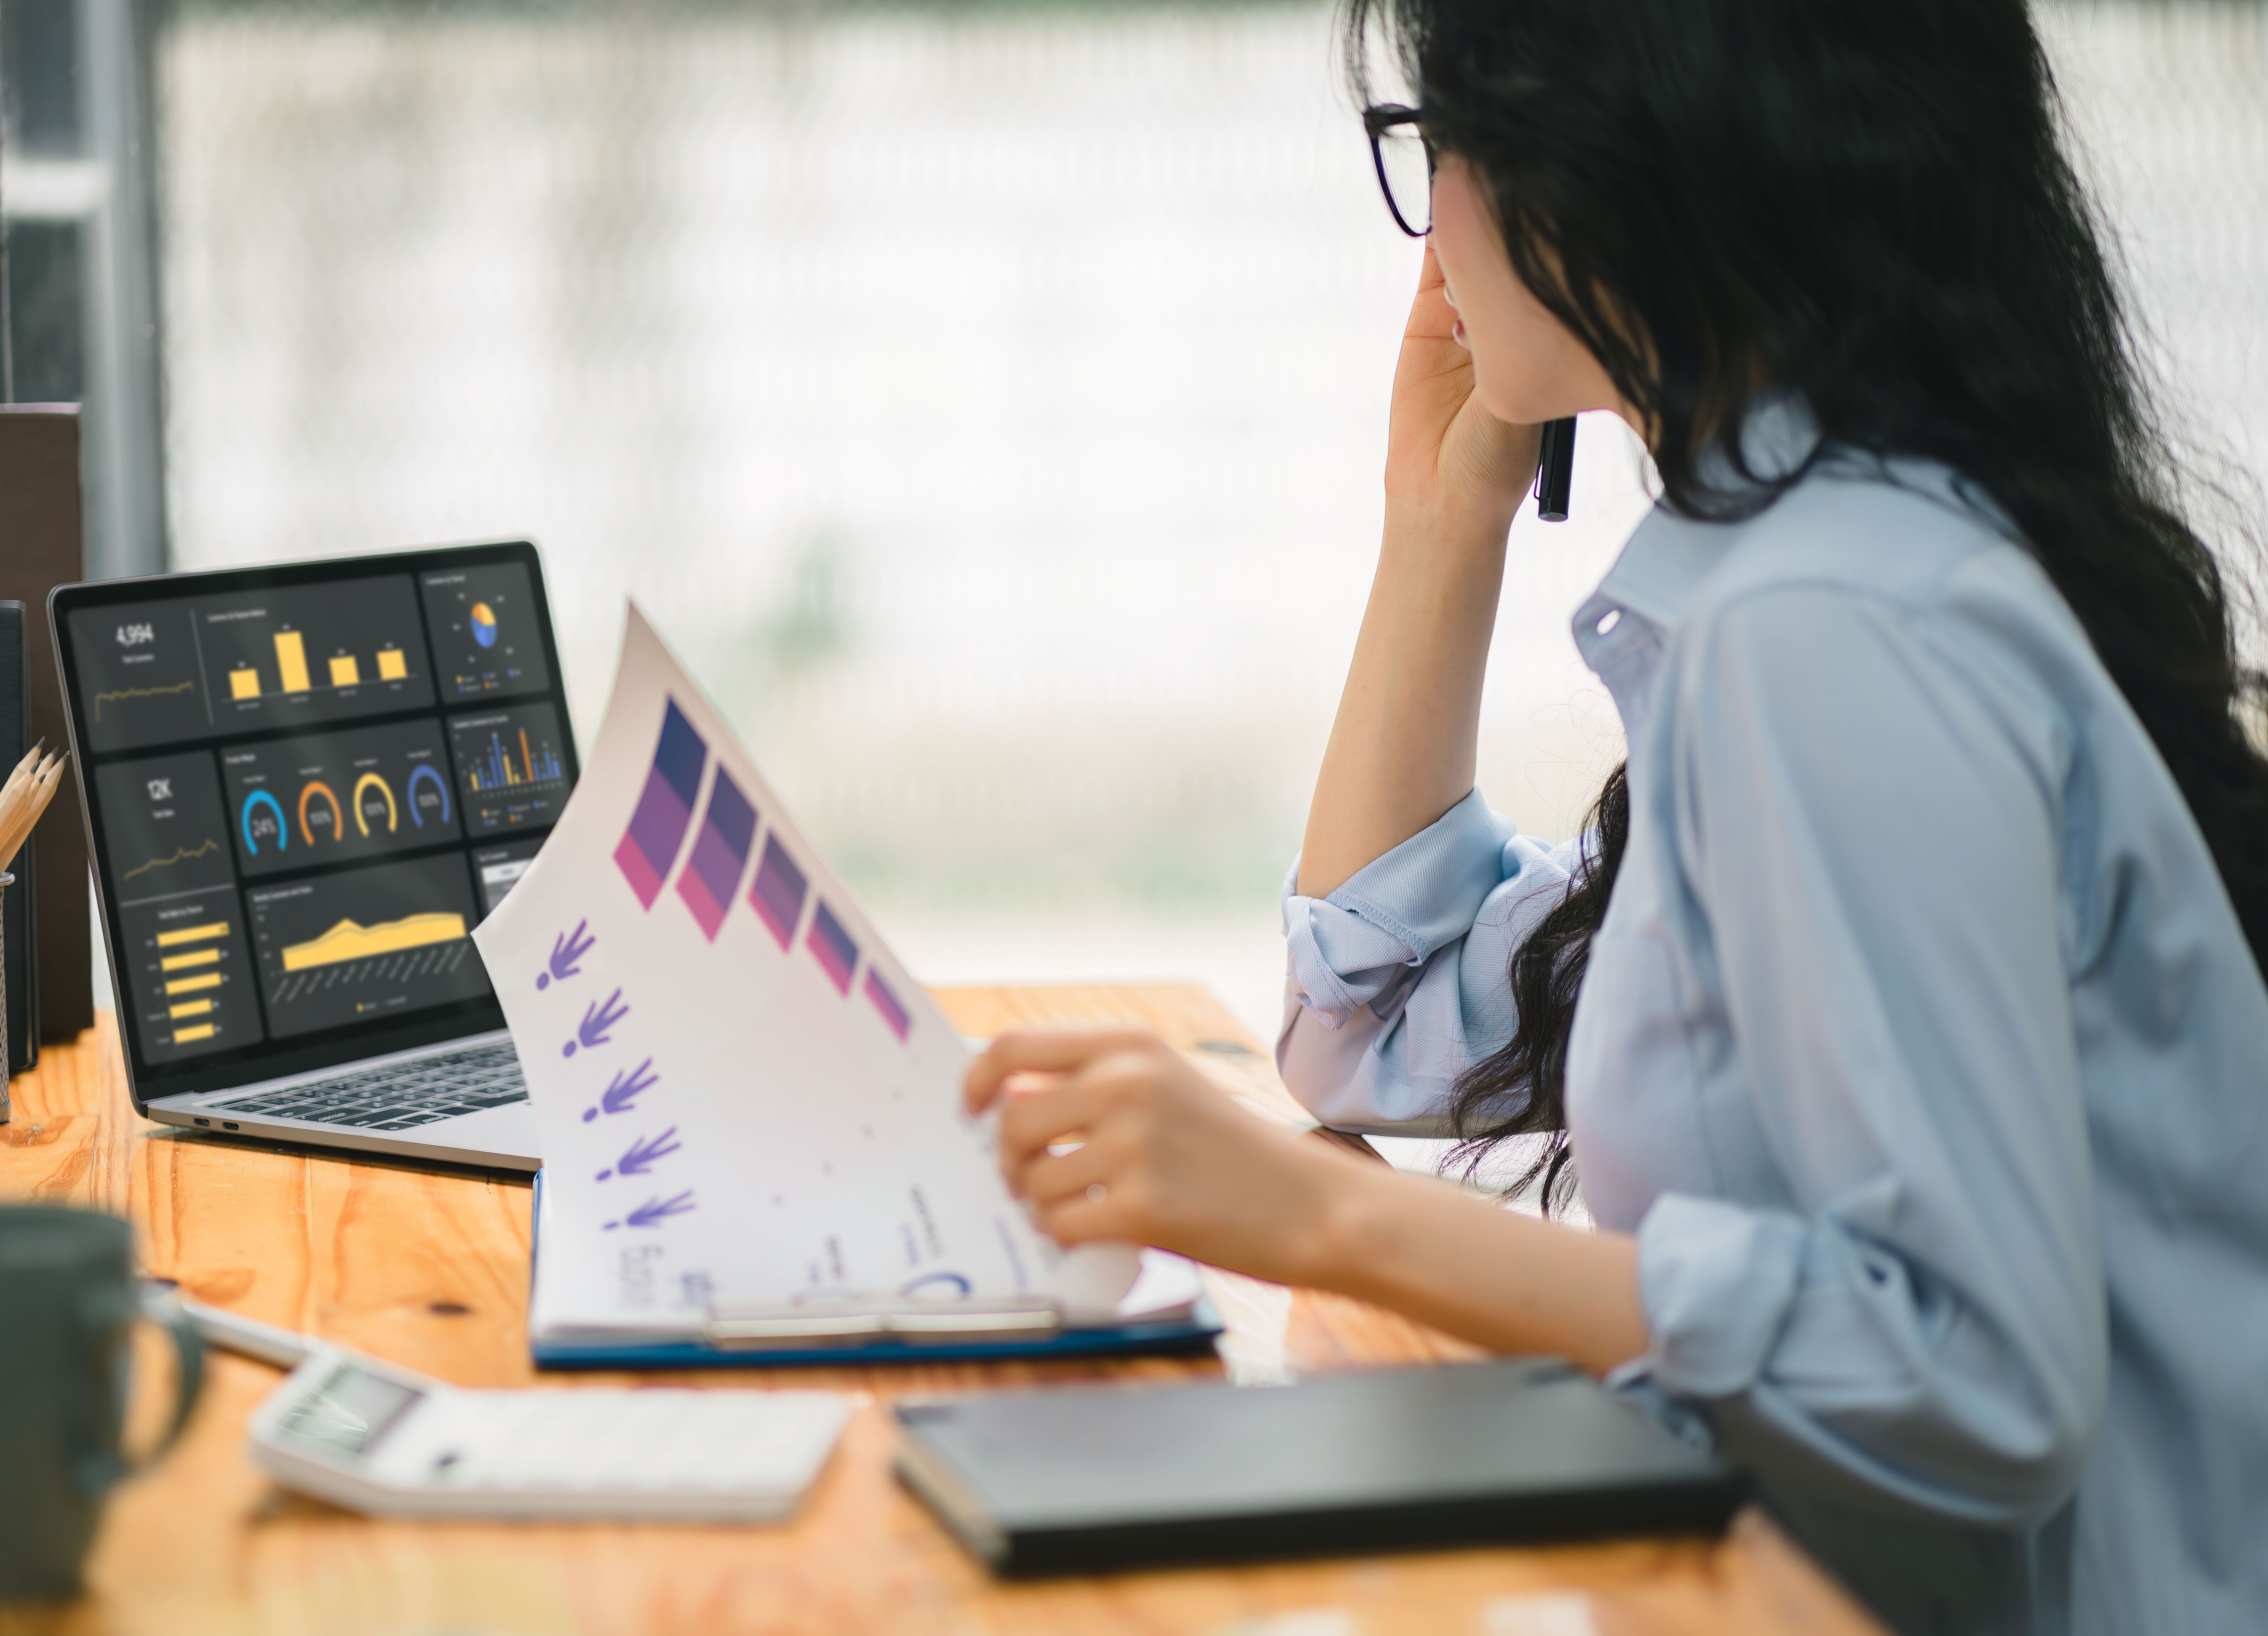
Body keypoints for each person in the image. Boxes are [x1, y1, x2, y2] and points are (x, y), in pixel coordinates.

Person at [961, 2, 2268, 1630]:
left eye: (1439, 141)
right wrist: (1441, 519)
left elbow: (1975, 1371)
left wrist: (1325, 1219)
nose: (1433, 221)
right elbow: (1371, 1024)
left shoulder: (1834, 621)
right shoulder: (1812, 561)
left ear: (1605, 162)